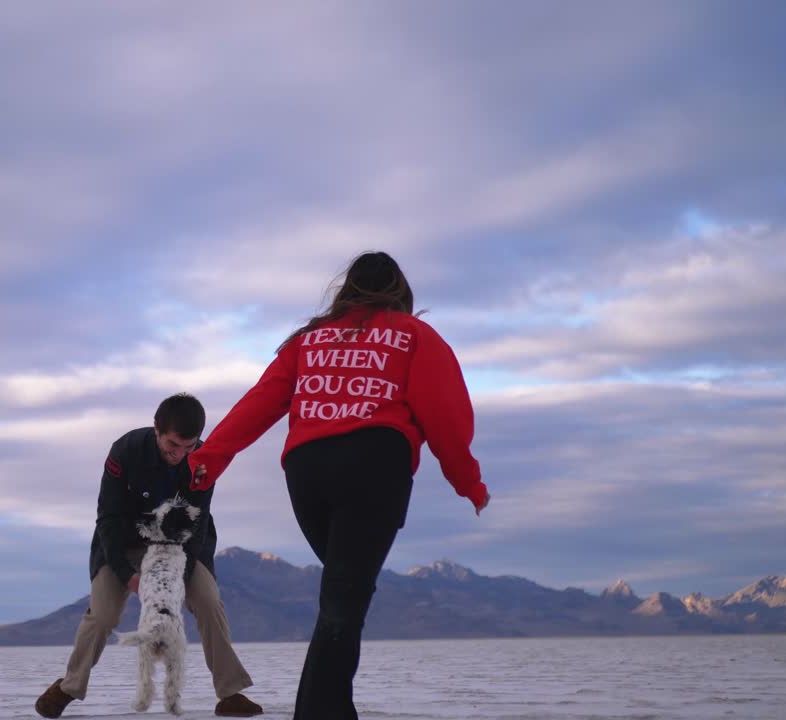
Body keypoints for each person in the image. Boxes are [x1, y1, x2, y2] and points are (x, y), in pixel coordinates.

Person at [187, 251, 490, 720]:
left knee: (342, 597)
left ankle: (323, 708)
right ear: (400, 292)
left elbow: (261, 401)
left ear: (346, 289)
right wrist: (468, 482)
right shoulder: (414, 335)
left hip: (307, 471)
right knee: (343, 604)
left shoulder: (307, 341)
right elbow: (445, 415)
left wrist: (210, 457)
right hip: (374, 463)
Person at [34, 393, 264, 718]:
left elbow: (197, 523)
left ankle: (229, 694)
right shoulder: (124, 451)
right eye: (173, 445)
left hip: (181, 548)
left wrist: (180, 580)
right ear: (156, 429)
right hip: (124, 544)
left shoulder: (205, 457)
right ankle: (69, 686)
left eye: (189, 447)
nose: (179, 455)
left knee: (210, 603)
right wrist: (126, 574)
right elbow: (108, 518)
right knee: (101, 616)